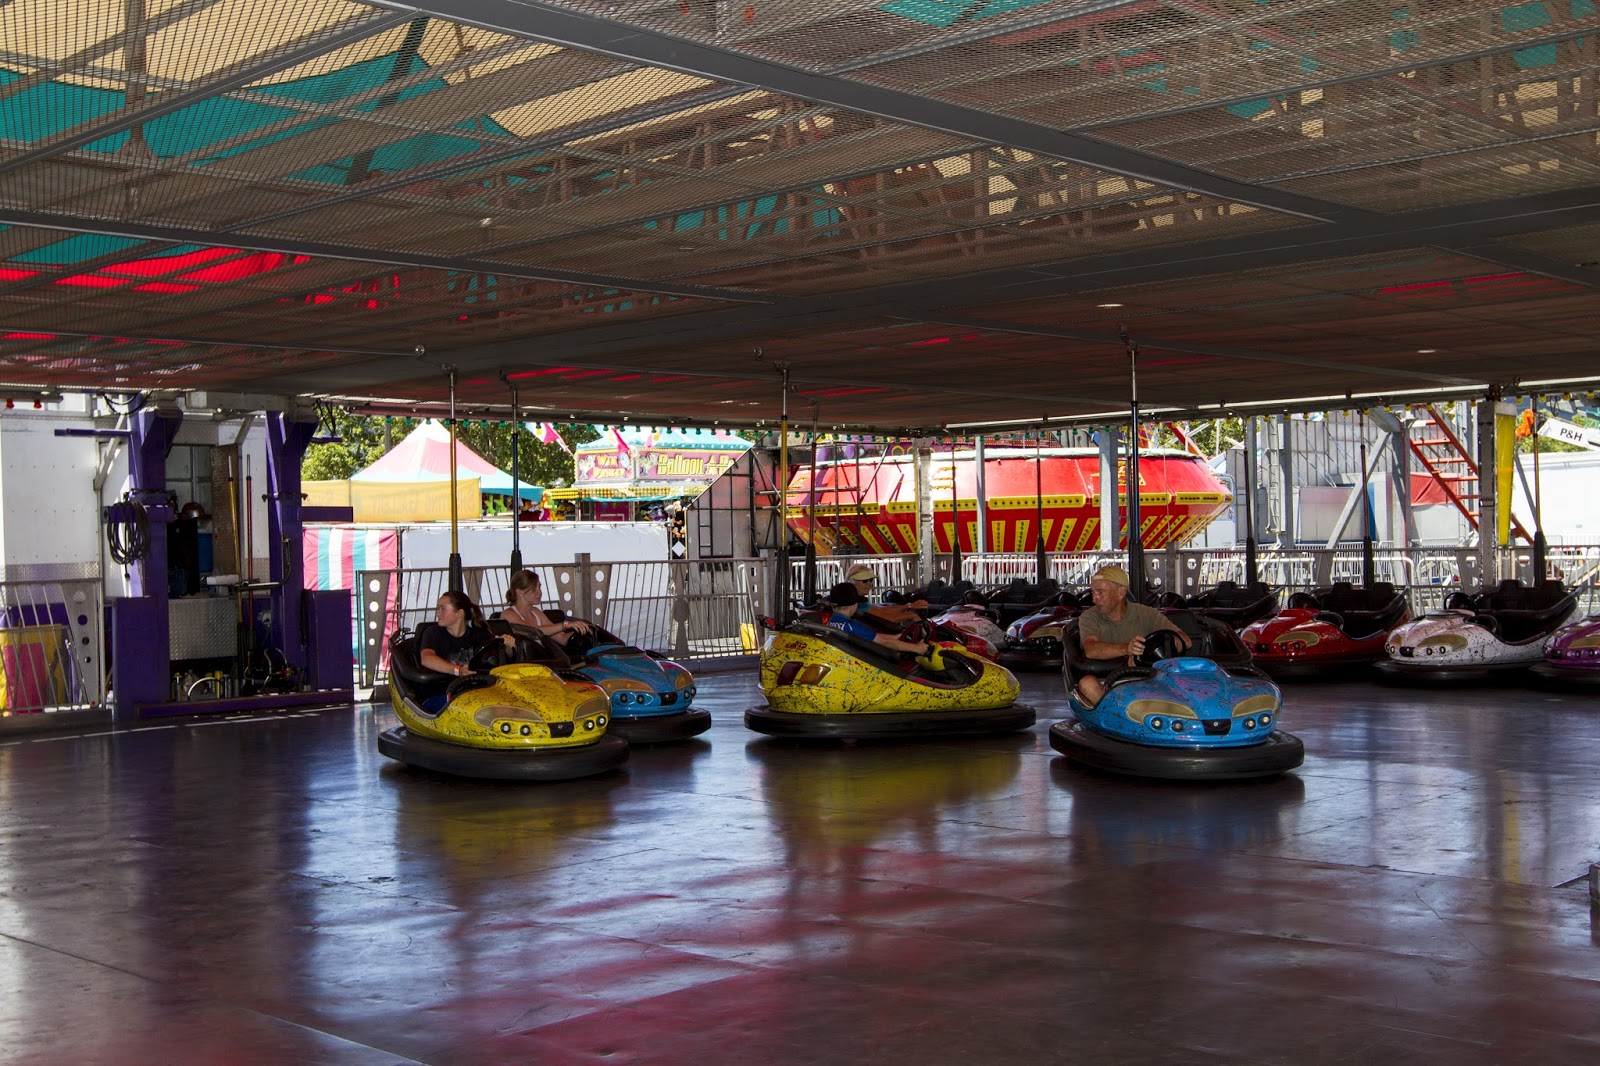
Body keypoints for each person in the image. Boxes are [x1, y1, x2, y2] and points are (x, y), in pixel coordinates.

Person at [1074, 565, 1190, 708]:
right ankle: (1117, 714)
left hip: (1146, 678)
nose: (1094, 598)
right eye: (1093, 592)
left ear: (1121, 592)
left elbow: (1185, 641)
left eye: (1101, 592)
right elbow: (1091, 649)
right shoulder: (1089, 617)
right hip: (1108, 682)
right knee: (1087, 684)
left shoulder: (1146, 613)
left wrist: (1152, 648)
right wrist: (1127, 648)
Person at [418, 590, 510, 710]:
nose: (438, 613)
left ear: (459, 613)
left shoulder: (478, 635)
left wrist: (506, 645)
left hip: (472, 692)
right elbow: (426, 658)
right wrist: (458, 670)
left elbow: (496, 659)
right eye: (438, 608)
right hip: (440, 693)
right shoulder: (433, 633)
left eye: (443, 609)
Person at [823, 582, 943, 668]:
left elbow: (870, 636)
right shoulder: (852, 625)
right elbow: (884, 642)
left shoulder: (832, 622)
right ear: (855, 604)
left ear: (833, 605)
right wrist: (917, 648)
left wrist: (896, 637)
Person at [499, 569, 594, 646]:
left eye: (539, 587)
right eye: (533, 589)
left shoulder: (536, 613)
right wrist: (566, 624)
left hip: (543, 662)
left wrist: (583, 630)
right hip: (523, 666)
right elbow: (533, 632)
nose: (539, 592)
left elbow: (561, 638)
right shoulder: (508, 614)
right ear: (519, 592)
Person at [843, 564, 926, 625]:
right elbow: (885, 617)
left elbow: (881, 611)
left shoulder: (858, 599)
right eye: (865, 581)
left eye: (871, 580)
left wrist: (910, 606)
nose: (869, 584)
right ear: (853, 582)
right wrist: (910, 613)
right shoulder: (854, 602)